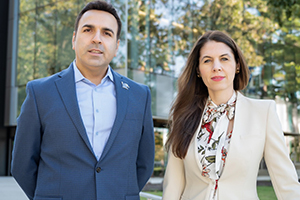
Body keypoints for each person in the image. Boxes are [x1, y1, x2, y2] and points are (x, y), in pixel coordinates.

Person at [11, 1, 155, 200]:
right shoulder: (40, 92)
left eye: (107, 33)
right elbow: (22, 164)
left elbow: (144, 163)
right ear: (74, 39)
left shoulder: (140, 95)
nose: (97, 39)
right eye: (88, 30)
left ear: (116, 46)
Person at [162, 30, 300, 200]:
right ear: (198, 70)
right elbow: (173, 186)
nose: (216, 67)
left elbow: (285, 181)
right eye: (207, 61)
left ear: (237, 65)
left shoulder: (263, 112)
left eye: (224, 59)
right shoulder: (183, 116)